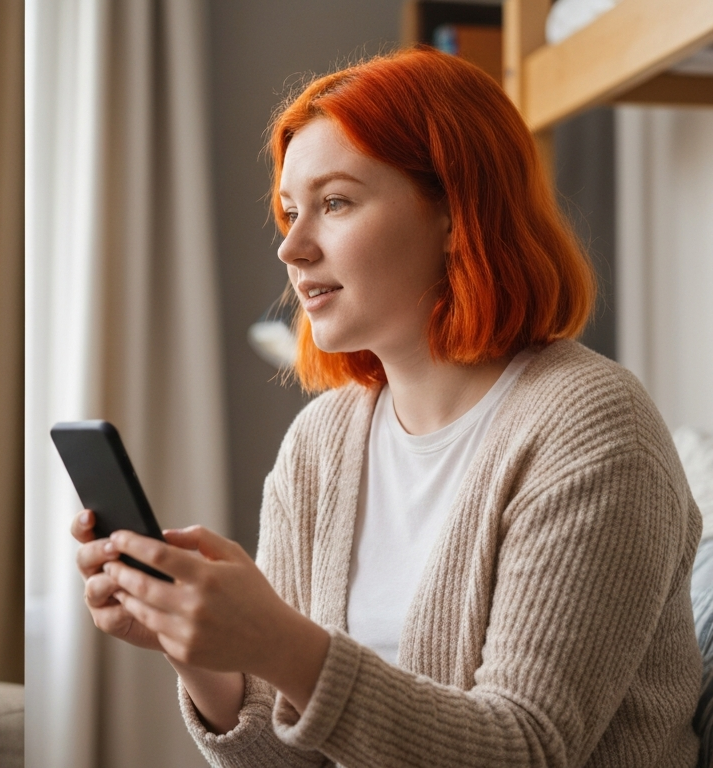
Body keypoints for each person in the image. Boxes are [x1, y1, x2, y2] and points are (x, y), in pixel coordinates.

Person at [73, 48, 703, 766]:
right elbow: (287, 758)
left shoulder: (592, 427)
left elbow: (526, 749)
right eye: (289, 212)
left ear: (456, 212)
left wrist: (280, 643)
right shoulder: (320, 442)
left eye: (335, 203)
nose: (291, 247)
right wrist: (199, 651)